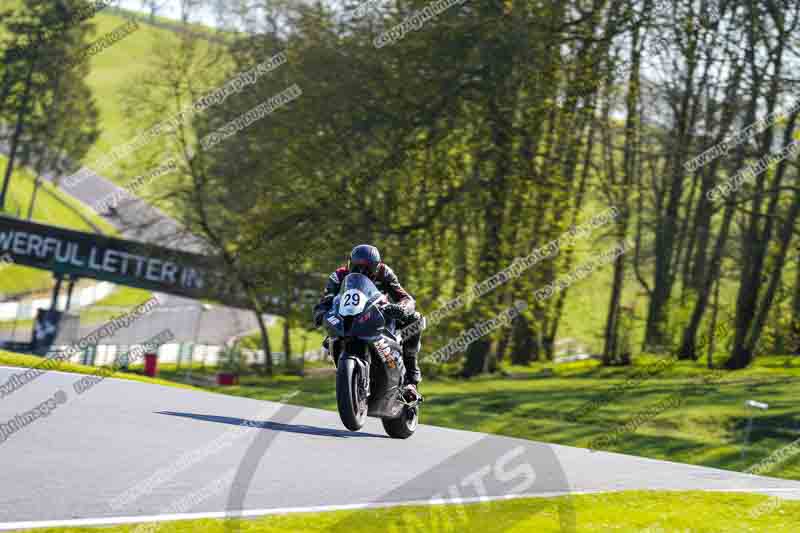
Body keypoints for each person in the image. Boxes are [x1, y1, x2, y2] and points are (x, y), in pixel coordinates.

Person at [313, 244, 423, 397]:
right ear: (350, 263)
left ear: (377, 267)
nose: (361, 272)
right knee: (328, 339)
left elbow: (405, 298)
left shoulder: (385, 272)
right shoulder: (338, 275)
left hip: (379, 316)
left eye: (367, 269)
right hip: (349, 318)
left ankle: (411, 380)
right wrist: (321, 312)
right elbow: (327, 299)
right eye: (357, 267)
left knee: (415, 319)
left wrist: (401, 308)